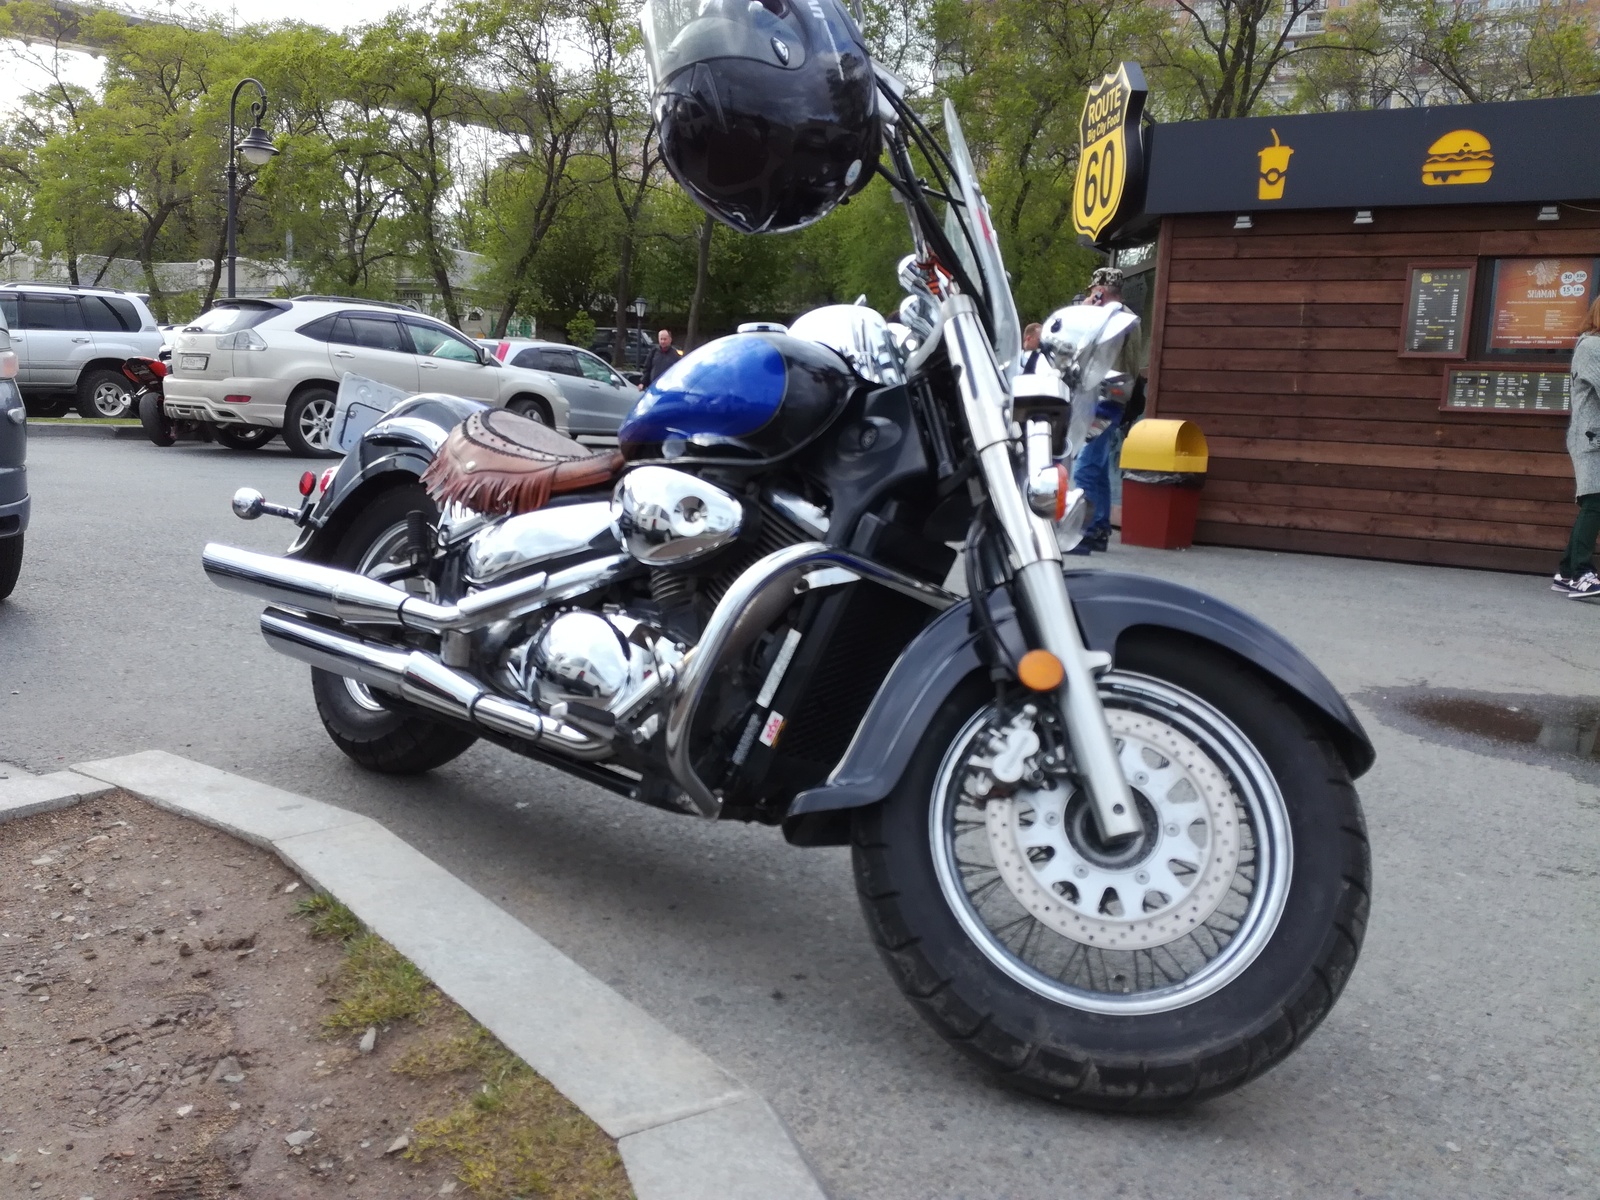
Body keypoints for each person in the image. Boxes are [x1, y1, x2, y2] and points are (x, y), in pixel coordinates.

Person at [1074, 266, 1144, 552]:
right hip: (1117, 400)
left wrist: (1084, 310)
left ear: (1100, 289)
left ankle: (1086, 530)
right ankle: (1101, 524)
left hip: (1104, 400)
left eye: (1094, 291)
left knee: (1085, 467)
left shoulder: (1111, 319)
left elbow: (1080, 344)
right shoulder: (1129, 318)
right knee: (1100, 466)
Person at [1554, 298, 1600, 597]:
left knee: (1593, 501)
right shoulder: (1593, 347)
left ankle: (1567, 571)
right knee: (1595, 500)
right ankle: (1582, 573)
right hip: (1591, 438)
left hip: (1591, 435)